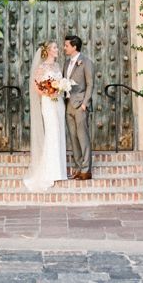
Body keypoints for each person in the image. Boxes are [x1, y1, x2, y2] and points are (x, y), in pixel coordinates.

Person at [22, 40, 69, 192]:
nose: (57, 49)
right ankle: (50, 171)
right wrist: (49, 92)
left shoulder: (57, 66)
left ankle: (60, 171)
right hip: (48, 103)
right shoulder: (42, 67)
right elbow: (36, 86)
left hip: (59, 102)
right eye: (55, 47)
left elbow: (60, 83)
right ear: (48, 50)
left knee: (59, 132)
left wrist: (60, 88)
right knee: (52, 133)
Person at [62, 34, 94, 180]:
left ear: (74, 47)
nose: (64, 48)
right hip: (68, 104)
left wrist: (84, 104)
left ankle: (86, 170)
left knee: (83, 138)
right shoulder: (66, 63)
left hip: (80, 105)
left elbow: (90, 84)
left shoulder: (86, 62)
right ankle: (78, 168)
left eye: (66, 45)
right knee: (73, 138)